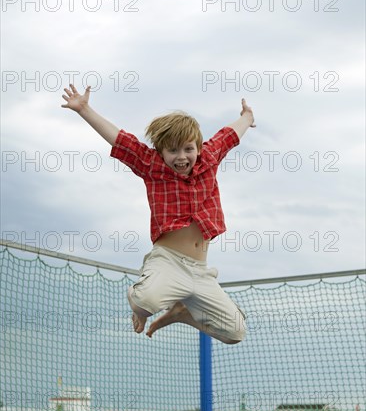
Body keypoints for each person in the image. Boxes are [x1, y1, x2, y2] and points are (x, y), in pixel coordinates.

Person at [61, 85, 255, 344]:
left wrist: (247, 117)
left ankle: (182, 313)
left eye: (188, 149)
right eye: (172, 151)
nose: (181, 157)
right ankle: (146, 303)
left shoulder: (209, 158)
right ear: (161, 152)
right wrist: (84, 109)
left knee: (235, 333)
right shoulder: (151, 166)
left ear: (198, 147)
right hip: (168, 262)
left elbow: (230, 135)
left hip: (200, 270)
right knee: (144, 302)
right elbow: (120, 140)